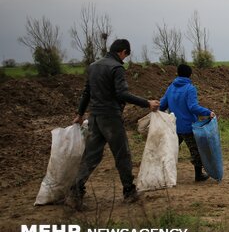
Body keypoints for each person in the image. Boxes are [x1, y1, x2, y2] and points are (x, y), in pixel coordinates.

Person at [68, 39, 160, 209]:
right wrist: (147, 103)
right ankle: (129, 192)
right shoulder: (116, 68)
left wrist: (80, 114)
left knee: (91, 155)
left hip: (94, 117)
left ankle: (75, 191)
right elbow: (122, 93)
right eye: (125, 56)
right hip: (110, 118)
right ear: (122, 51)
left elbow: (86, 92)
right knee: (122, 154)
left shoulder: (93, 66)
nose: (124, 59)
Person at [159, 64, 215, 182]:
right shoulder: (190, 88)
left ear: (178, 74)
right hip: (188, 126)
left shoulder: (170, 88)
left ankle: (162, 173)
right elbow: (193, 107)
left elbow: (162, 105)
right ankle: (198, 175)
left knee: (170, 150)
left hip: (174, 126)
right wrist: (208, 112)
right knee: (195, 150)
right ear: (190, 75)